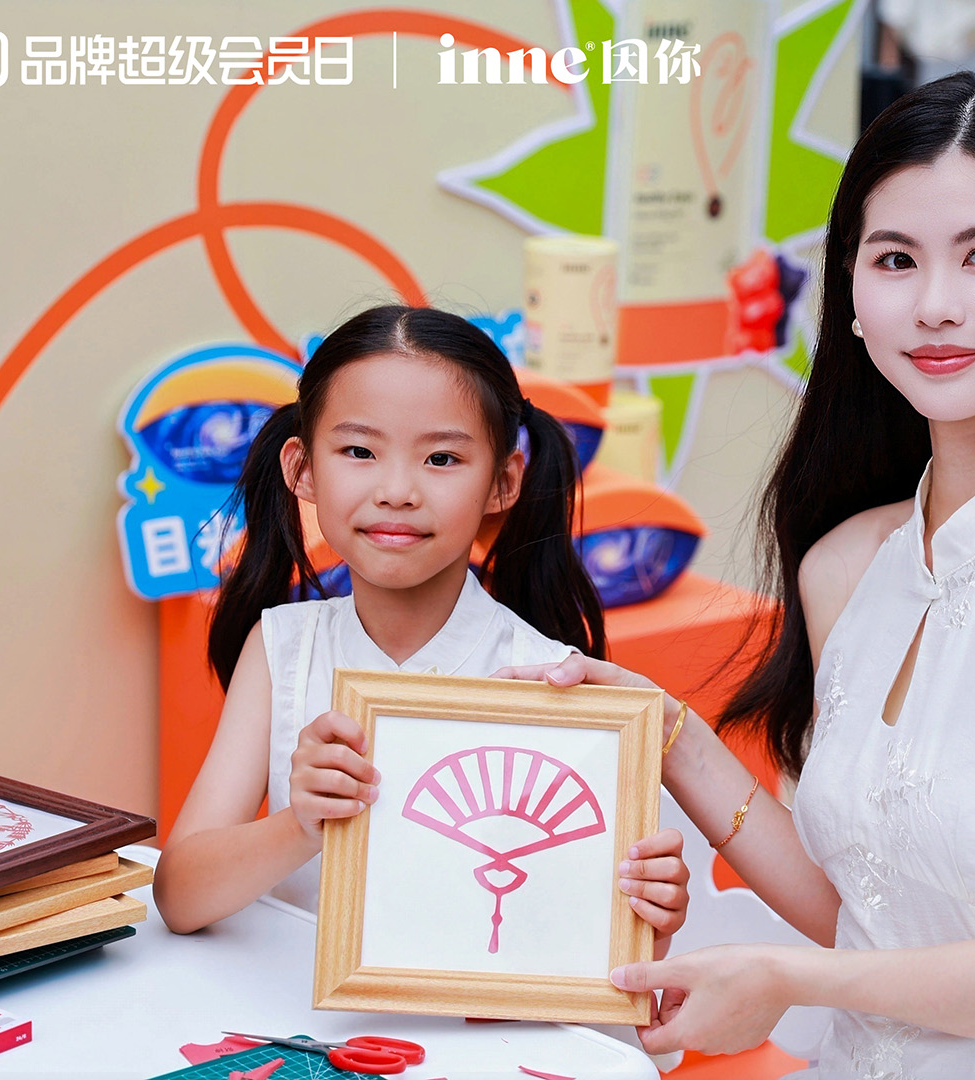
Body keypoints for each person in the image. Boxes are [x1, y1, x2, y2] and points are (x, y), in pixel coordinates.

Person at [496, 72, 975, 1076]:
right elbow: (866, 913)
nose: (934, 306)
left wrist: (791, 981)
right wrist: (672, 737)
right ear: (852, 293)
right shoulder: (844, 563)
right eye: (894, 260)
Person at [154, 305, 688, 951]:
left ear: (503, 482)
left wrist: (645, 922)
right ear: (302, 470)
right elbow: (179, 898)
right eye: (358, 451)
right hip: (288, 1004)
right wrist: (299, 824)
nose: (397, 490)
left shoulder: (552, 678)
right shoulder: (283, 648)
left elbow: (576, 943)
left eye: (441, 458)